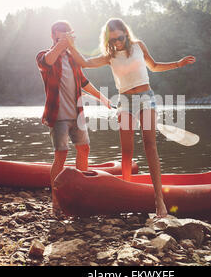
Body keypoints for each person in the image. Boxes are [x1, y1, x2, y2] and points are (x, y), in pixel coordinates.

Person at [67, 18, 196, 218]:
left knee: (150, 145)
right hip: (125, 101)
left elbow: (154, 66)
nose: (117, 42)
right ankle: (126, 192)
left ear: (126, 33)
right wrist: (70, 46)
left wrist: (178, 64)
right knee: (127, 151)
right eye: (113, 40)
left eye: (119, 37)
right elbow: (84, 62)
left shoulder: (138, 46)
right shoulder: (109, 56)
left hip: (146, 98)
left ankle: (159, 200)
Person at [36, 20, 111, 216]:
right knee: (61, 155)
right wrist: (63, 43)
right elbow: (47, 62)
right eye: (62, 35)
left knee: (84, 149)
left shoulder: (72, 59)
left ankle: (81, 194)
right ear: (53, 36)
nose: (67, 39)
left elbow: (84, 82)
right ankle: (56, 200)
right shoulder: (44, 56)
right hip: (58, 116)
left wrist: (102, 97)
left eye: (69, 35)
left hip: (77, 115)